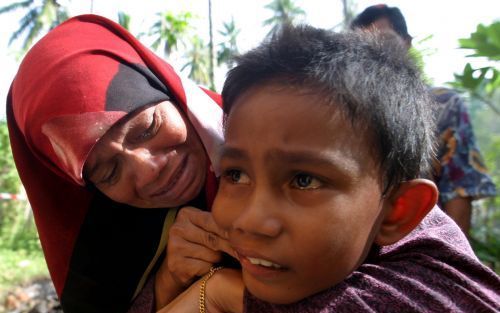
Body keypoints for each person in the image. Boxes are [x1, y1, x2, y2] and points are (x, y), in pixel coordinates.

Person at [160, 25, 500, 313]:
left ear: (398, 210)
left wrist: (223, 293)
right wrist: (172, 284)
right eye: (236, 174)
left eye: (303, 181)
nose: (250, 221)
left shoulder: (432, 259)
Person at [7, 14, 233, 313]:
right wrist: (168, 282)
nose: (148, 171)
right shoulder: (102, 247)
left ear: (169, 90)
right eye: (110, 172)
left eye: (148, 128)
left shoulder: (275, 134)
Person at [350, 4, 497, 236]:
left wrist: (451, 261)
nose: (374, 54)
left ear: (406, 43)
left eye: (384, 41)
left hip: (425, 246)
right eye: (361, 48)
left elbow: (459, 189)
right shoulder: (345, 113)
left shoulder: (444, 105)